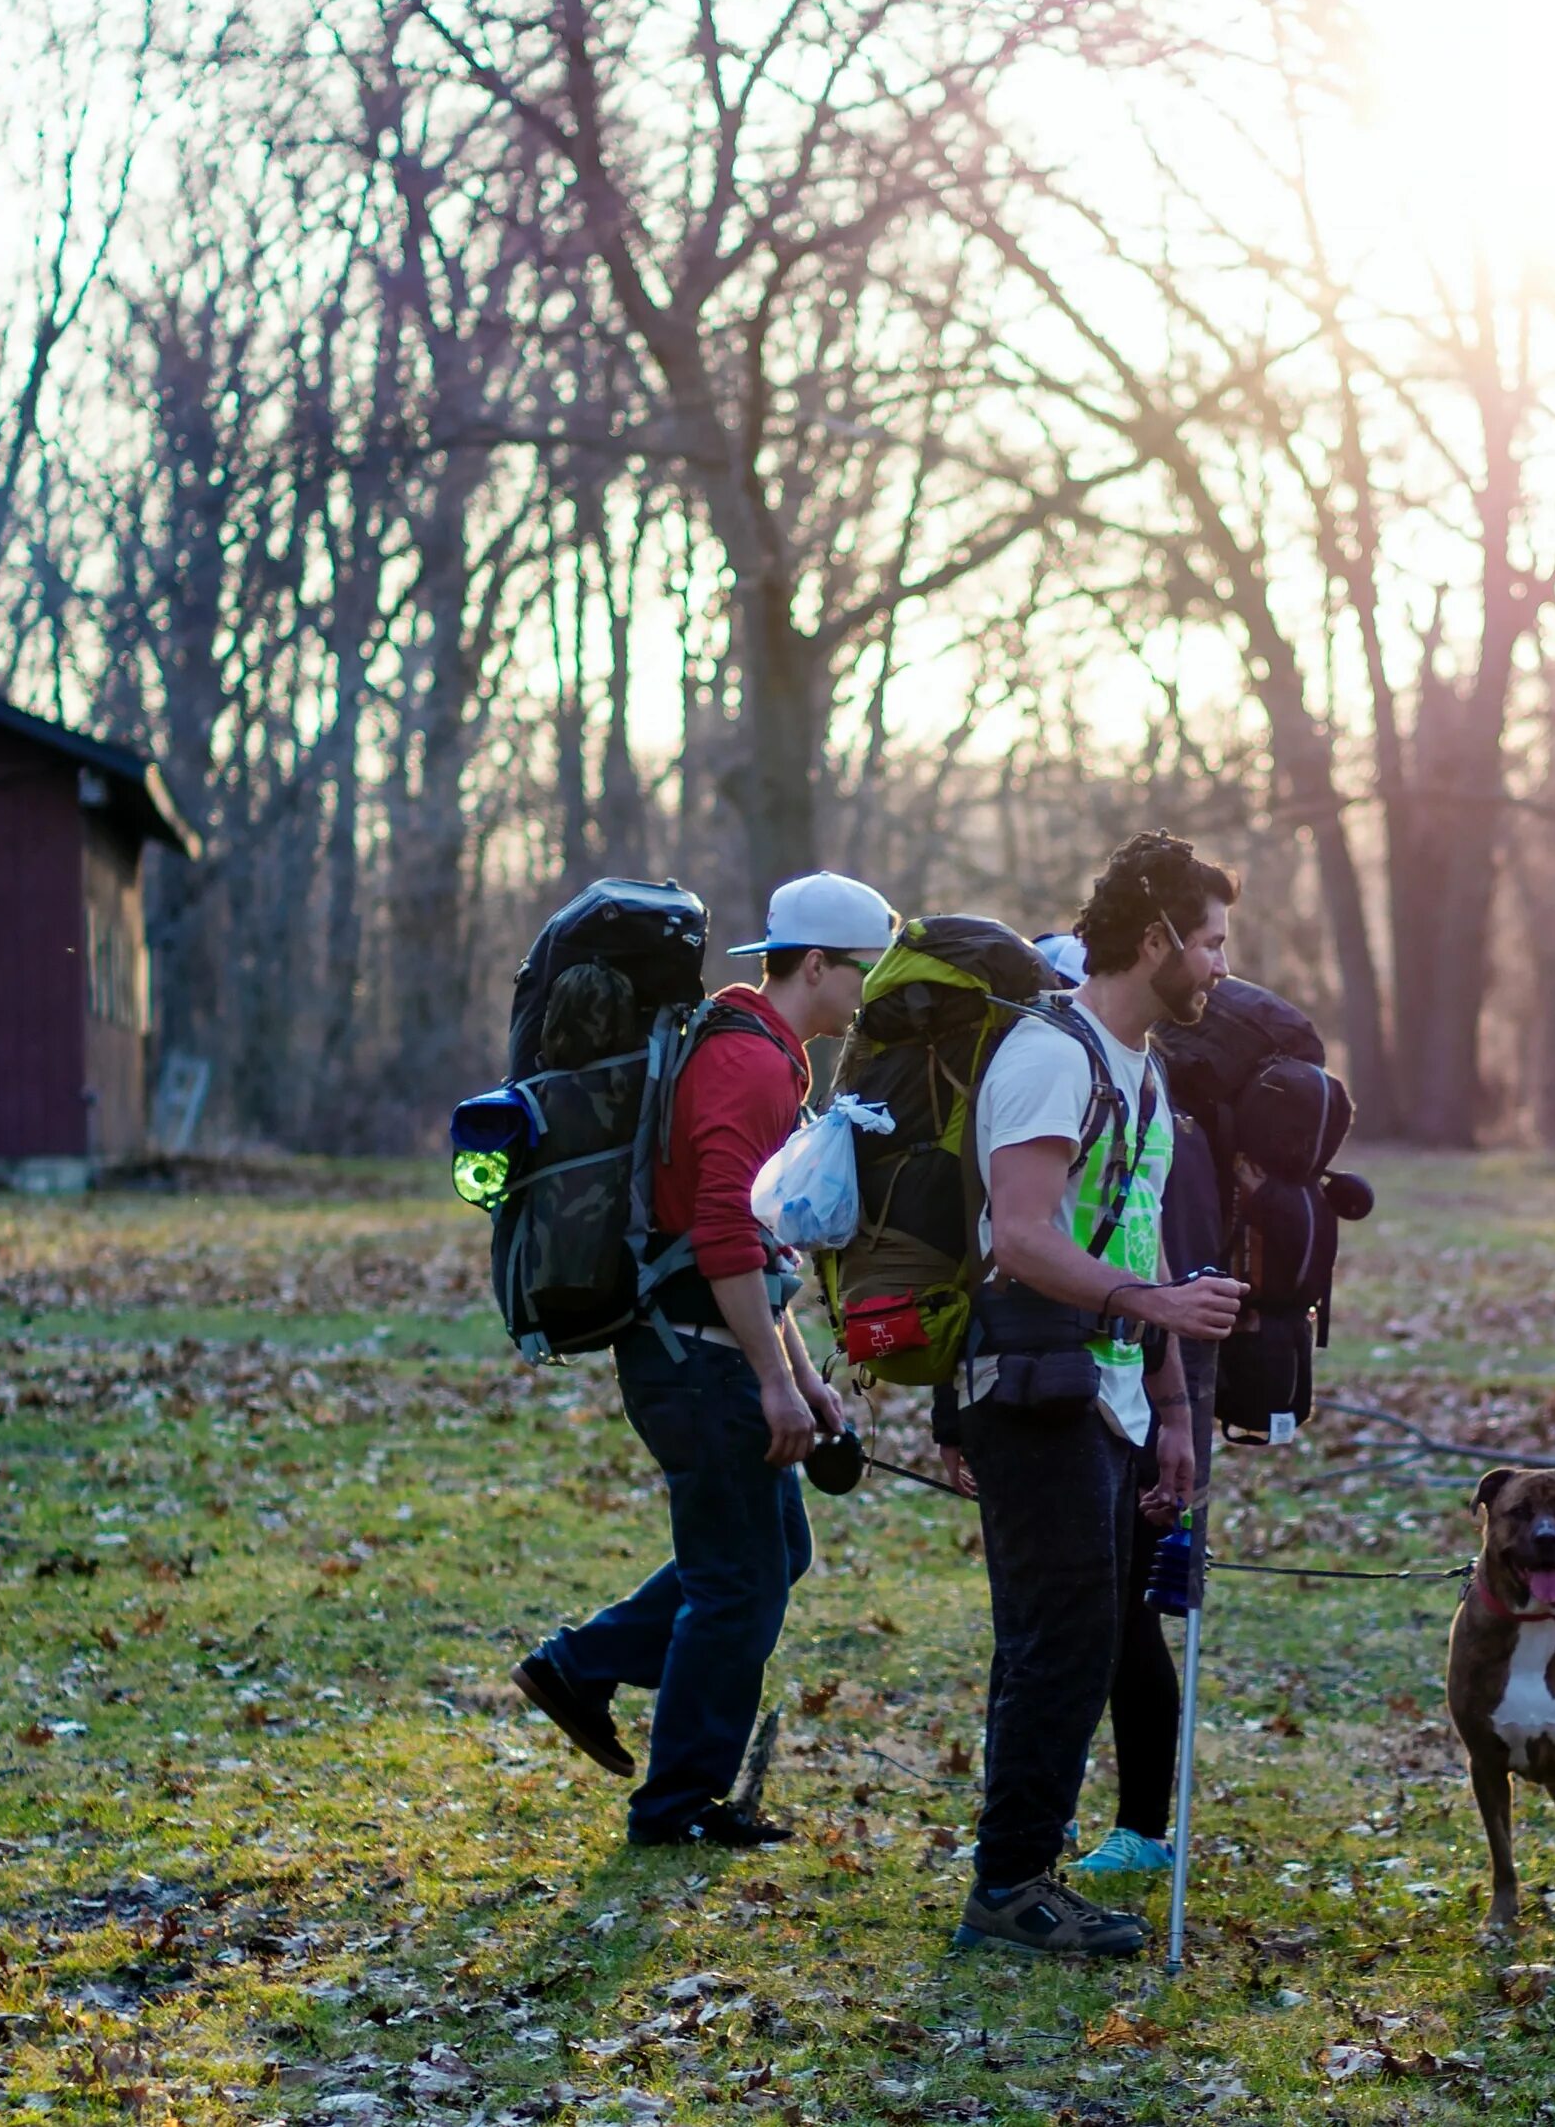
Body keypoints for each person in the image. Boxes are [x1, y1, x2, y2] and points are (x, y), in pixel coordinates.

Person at [513, 872, 893, 1847]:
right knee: (739, 1586)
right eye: (863, 973)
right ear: (817, 964)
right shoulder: (751, 1067)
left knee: (773, 1556)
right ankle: (676, 1802)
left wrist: (805, 1376)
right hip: (699, 1361)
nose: (868, 994)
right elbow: (724, 1236)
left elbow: (760, 1251)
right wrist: (773, 1380)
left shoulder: (755, 1050)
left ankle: (581, 1665)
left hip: (709, 1346)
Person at [941, 834, 1246, 1956]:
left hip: (1107, 1390)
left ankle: (1017, 1872)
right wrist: (1153, 1308)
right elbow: (1020, 1235)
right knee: (1058, 1637)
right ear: (1157, 938)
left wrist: (1169, 1406)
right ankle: (1011, 1883)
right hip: (1029, 1381)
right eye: (1209, 943)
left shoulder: (1145, 1070)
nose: (1219, 966)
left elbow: (1134, 1233)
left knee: (1072, 1634)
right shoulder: (1051, 1055)